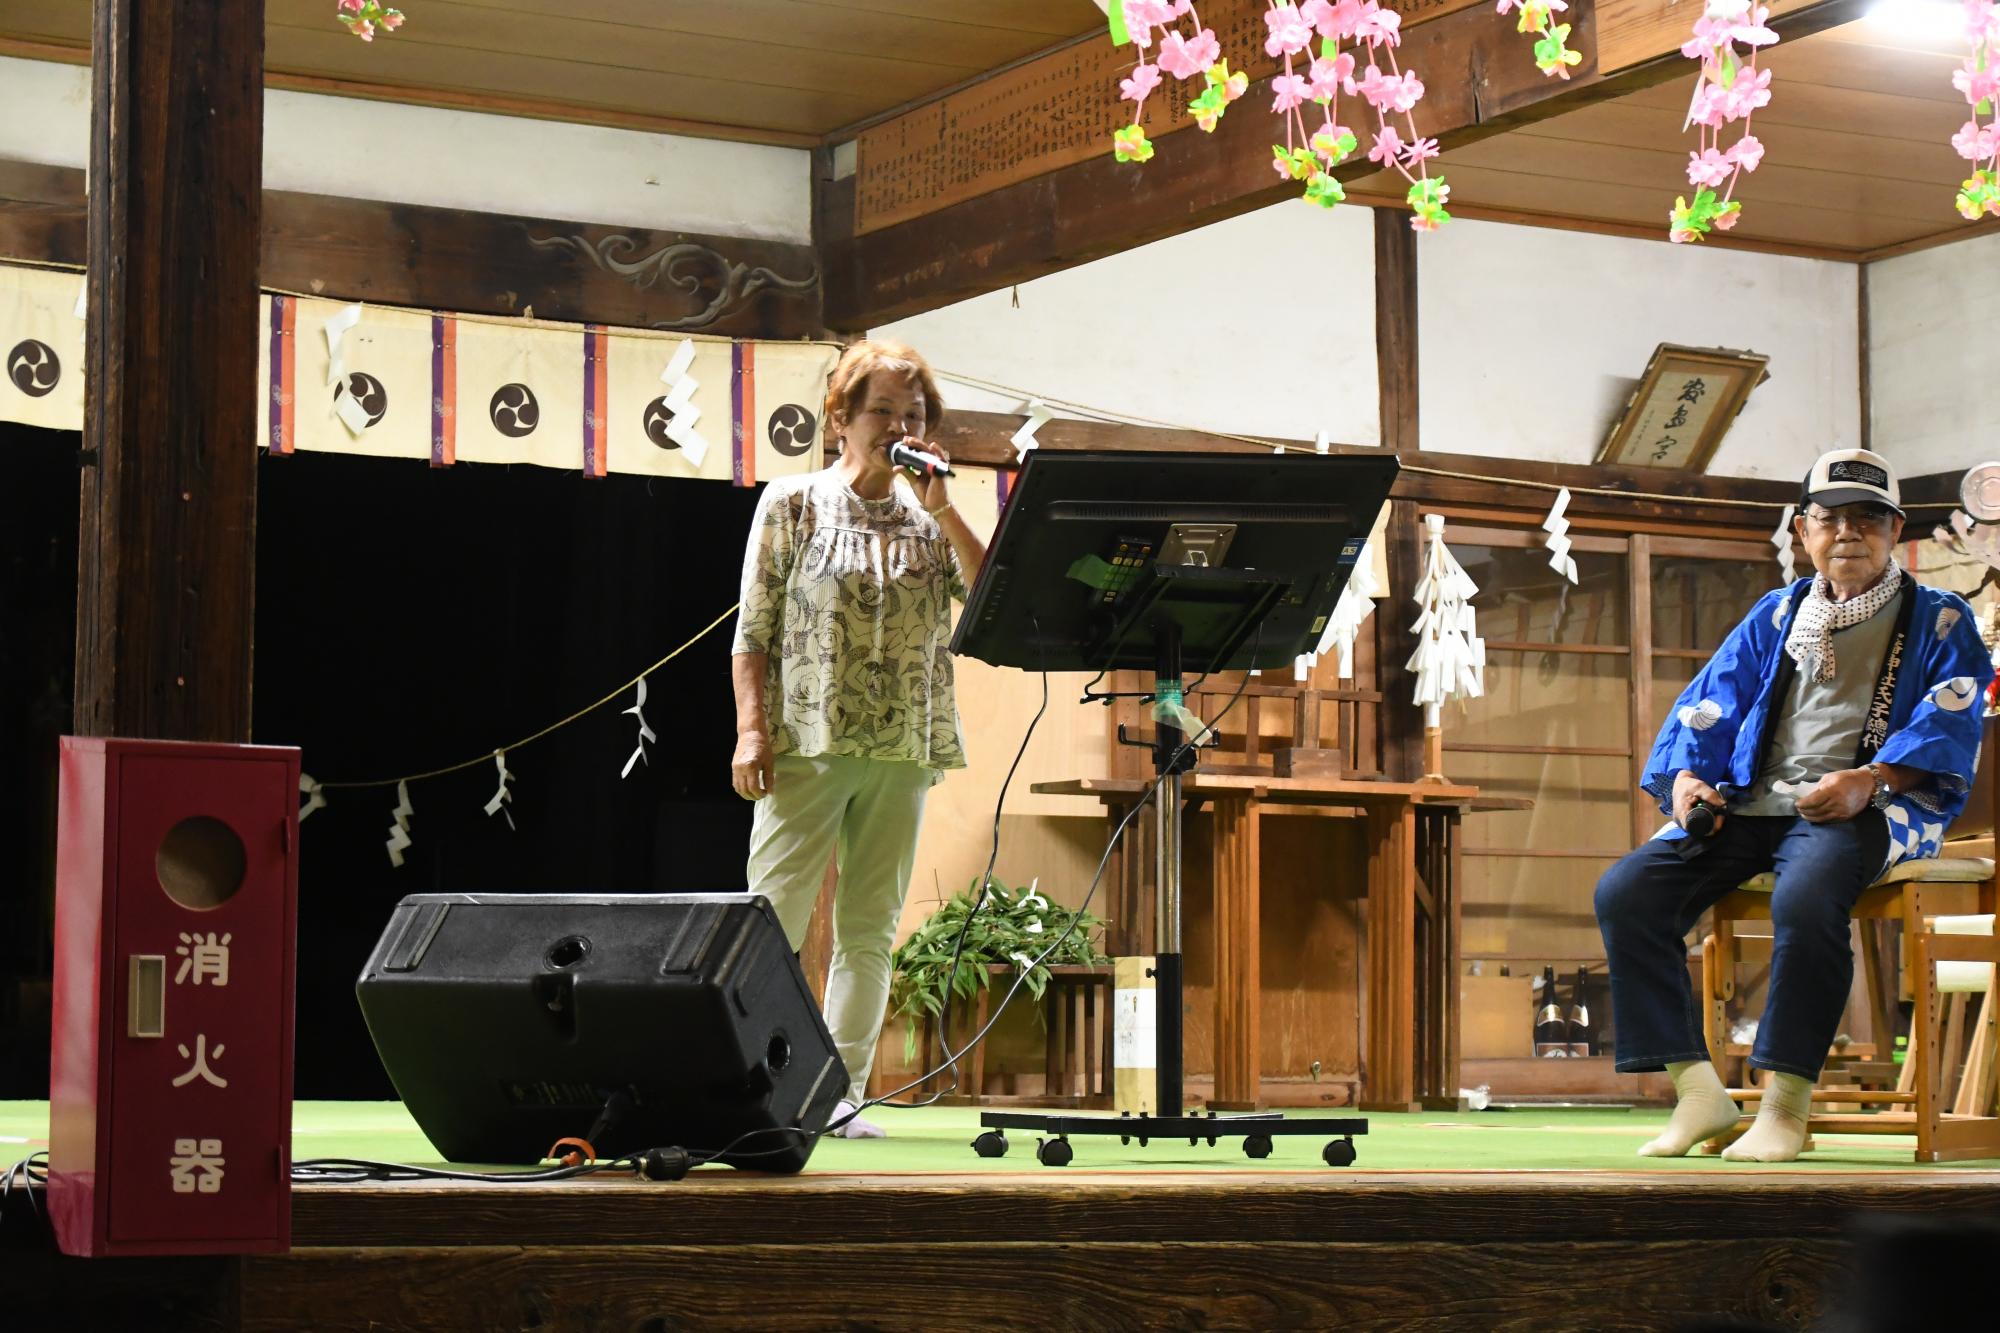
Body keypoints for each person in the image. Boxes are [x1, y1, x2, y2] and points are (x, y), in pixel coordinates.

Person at [1594, 447, 1992, 1162]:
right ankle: (1698, 1092)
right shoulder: (1776, 613)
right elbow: (1708, 705)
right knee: (1628, 892)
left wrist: (1870, 778)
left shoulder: (1939, 618)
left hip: (1864, 807)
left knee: (1807, 901)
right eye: (1830, 518)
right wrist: (1688, 781)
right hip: (1752, 803)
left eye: (1868, 517)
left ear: (1895, 530)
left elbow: (1950, 716)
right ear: (1802, 532)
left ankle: (1785, 1104)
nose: (1848, 532)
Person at [729, 339, 986, 1139]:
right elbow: (752, 633)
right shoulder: (792, 501)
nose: (900, 425)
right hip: (808, 740)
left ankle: (840, 1091)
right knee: (769, 918)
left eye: (914, 414)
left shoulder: (928, 516)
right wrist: (750, 730)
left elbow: (990, 592)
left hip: (903, 746)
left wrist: (943, 504)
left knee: (870, 928)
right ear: (841, 416)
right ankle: (744, 1082)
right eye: (884, 410)